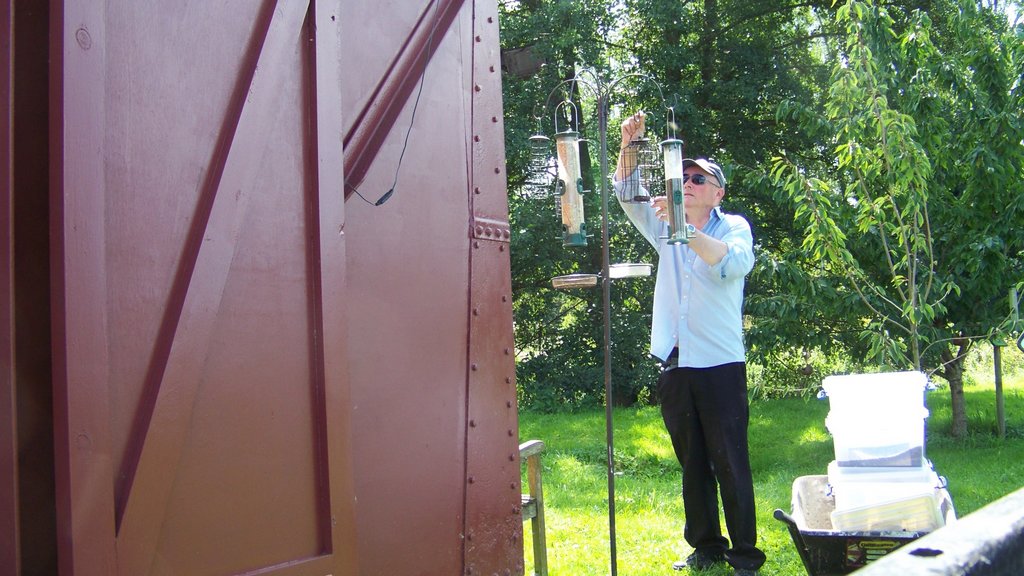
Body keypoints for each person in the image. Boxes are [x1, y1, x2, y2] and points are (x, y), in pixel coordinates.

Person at [613, 111, 765, 576]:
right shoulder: (665, 225)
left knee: (730, 461)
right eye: (685, 178)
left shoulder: (733, 227)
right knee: (693, 463)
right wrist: (628, 146)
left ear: (718, 193)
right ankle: (706, 547)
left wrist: (685, 228)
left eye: (699, 179)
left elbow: (732, 264)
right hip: (676, 363)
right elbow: (626, 194)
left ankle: (744, 555)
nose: (689, 183)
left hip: (720, 364)